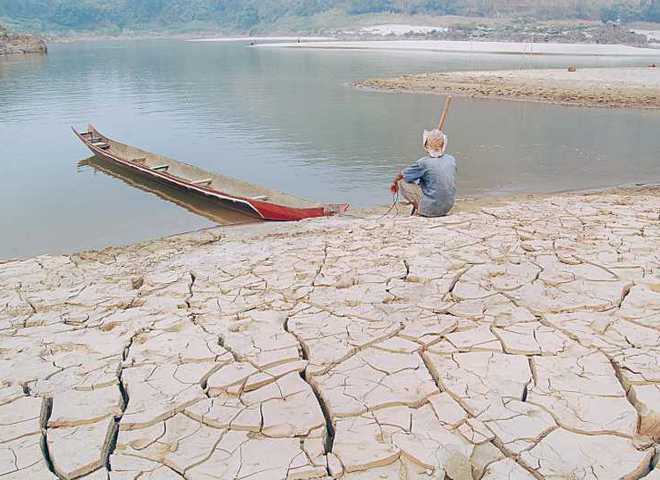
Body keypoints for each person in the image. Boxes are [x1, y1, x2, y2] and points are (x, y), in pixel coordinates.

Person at [390, 129, 457, 217]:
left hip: (430, 209)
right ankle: (425, 206)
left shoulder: (423, 162)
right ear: (444, 144)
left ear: (426, 145)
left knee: (401, 181)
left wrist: (394, 183)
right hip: (448, 206)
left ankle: (421, 209)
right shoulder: (451, 159)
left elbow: (402, 175)